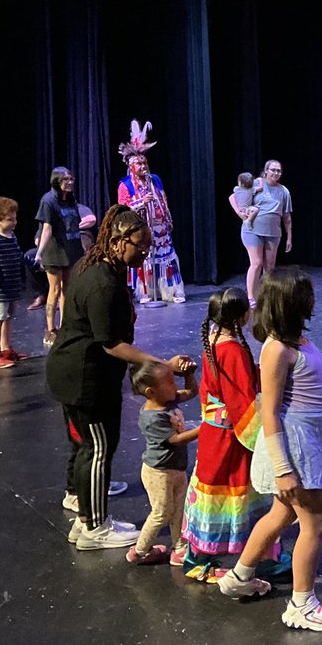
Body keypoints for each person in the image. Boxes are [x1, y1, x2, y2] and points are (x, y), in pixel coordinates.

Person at [46, 204, 197, 551]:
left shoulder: (101, 267)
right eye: (138, 246)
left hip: (78, 372)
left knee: (89, 448)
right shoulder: (103, 283)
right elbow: (112, 344)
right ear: (117, 241)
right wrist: (164, 365)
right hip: (84, 378)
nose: (144, 252)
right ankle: (94, 527)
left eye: (147, 247)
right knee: (98, 449)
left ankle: (85, 517)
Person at [218, 268, 322, 632]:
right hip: (293, 448)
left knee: (281, 515)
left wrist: (317, 437)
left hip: (305, 439)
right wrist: (283, 468)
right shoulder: (276, 349)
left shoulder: (296, 341)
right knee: (315, 523)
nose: (312, 299)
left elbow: (306, 399)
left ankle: (239, 576)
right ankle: (302, 604)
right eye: (305, 294)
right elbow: (269, 411)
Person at [181, 287, 275, 583]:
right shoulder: (231, 349)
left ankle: (206, 552)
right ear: (242, 316)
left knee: (212, 485)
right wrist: (267, 439)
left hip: (217, 435)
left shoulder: (216, 340)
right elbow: (241, 402)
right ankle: (200, 558)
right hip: (228, 439)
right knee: (223, 488)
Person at [126, 360, 199, 565]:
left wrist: (188, 375)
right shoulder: (152, 417)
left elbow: (192, 392)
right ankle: (140, 550)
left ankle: (180, 547)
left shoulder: (168, 400)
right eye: (169, 382)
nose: (175, 387)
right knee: (162, 512)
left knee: (179, 508)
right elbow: (176, 440)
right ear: (151, 392)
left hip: (176, 468)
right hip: (159, 473)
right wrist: (206, 428)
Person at [116, 120, 186, 303]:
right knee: (145, 259)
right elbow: (122, 208)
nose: (142, 167)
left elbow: (164, 199)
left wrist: (168, 219)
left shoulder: (154, 179)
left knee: (167, 258)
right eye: (138, 164)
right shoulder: (125, 185)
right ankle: (146, 292)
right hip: (140, 226)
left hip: (159, 226)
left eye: (144, 163)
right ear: (131, 166)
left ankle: (171, 291)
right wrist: (140, 202)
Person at [34, 166, 85, 346]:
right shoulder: (48, 201)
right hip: (54, 251)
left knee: (67, 289)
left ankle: (65, 325)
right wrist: (39, 253)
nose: (70, 182)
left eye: (71, 179)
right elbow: (46, 228)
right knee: (54, 290)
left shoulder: (70, 199)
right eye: (65, 180)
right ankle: (50, 329)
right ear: (56, 181)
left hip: (71, 249)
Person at [228, 160, 292, 302]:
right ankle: (251, 297)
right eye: (273, 170)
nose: (276, 173)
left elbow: (287, 216)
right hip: (253, 230)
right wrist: (240, 213)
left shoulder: (283, 191)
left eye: (279, 171)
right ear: (266, 170)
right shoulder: (257, 183)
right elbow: (233, 197)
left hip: (273, 232)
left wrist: (289, 237)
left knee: (270, 266)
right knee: (256, 263)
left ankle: (267, 296)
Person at [0, 197, 29, 369]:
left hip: (12, 285)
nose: (14, 222)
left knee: (8, 317)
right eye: (9, 219)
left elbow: (19, 256)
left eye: (15, 218)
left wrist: (34, 264)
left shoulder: (12, 236)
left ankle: (5, 349)